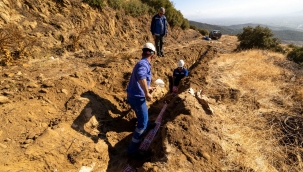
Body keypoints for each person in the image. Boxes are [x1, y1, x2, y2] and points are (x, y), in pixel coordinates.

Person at [126, 42, 157, 156]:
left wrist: (148, 87)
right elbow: (141, 76)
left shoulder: (142, 63)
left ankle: (147, 124)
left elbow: (141, 79)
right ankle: (132, 150)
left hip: (133, 95)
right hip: (137, 98)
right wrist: (146, 93)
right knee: (141, 125)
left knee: (144, 115)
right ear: (153, 55)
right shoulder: (143, 64)